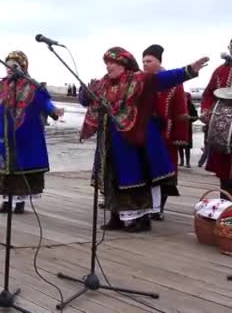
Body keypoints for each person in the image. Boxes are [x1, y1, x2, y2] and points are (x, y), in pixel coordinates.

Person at [80, 47, 207, 232]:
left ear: (124, 64)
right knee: (112, 177)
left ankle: (141, 220)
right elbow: (85, 101)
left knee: (134, 177)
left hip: (131, 139)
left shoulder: (139, 79)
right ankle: (115, 216)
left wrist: (189, 70)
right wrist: (85, 92)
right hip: (108, 140)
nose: (108, 66)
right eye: (106, 63)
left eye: (112, 63)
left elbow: (163, 79)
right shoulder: (103, 84)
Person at [0, 51, 64, 214]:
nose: (9, 69)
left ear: (22, 67)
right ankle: (6, 200)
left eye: (13, 66)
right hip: (5, 133)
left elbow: (44, 102)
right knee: (6, 166)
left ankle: (20, 201)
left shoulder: (32, 86)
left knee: (22, 165)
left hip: (27, 132)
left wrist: (54, 111)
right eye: (7, 65)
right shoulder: (0, 86)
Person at [141, 44, 189, 221]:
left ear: (159, 61)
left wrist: (180, 136)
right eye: (143, 61)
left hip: (166, 135)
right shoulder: (141, 80)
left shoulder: (174, 82)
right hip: (145, 135)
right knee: (145, 171)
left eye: (149, 61)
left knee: (165, 173)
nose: (145, 64)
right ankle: (146, 205)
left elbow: (180, 111)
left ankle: (159, 207)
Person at [200, 38, 232, 194]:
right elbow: (208, 95)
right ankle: (227, 217)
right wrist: (206, 111)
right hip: (223, 135)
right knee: (225, 183)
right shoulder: (220, 71)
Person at [178, 92, 197, 168]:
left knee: (187, 146)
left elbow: (196, 117)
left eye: (186, 97)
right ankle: (182, 161)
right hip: (180, 128)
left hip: (188, 129)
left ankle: (188, 162)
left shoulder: (191, 106)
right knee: (180, 145)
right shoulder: (179, 106)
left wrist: (190, 117)